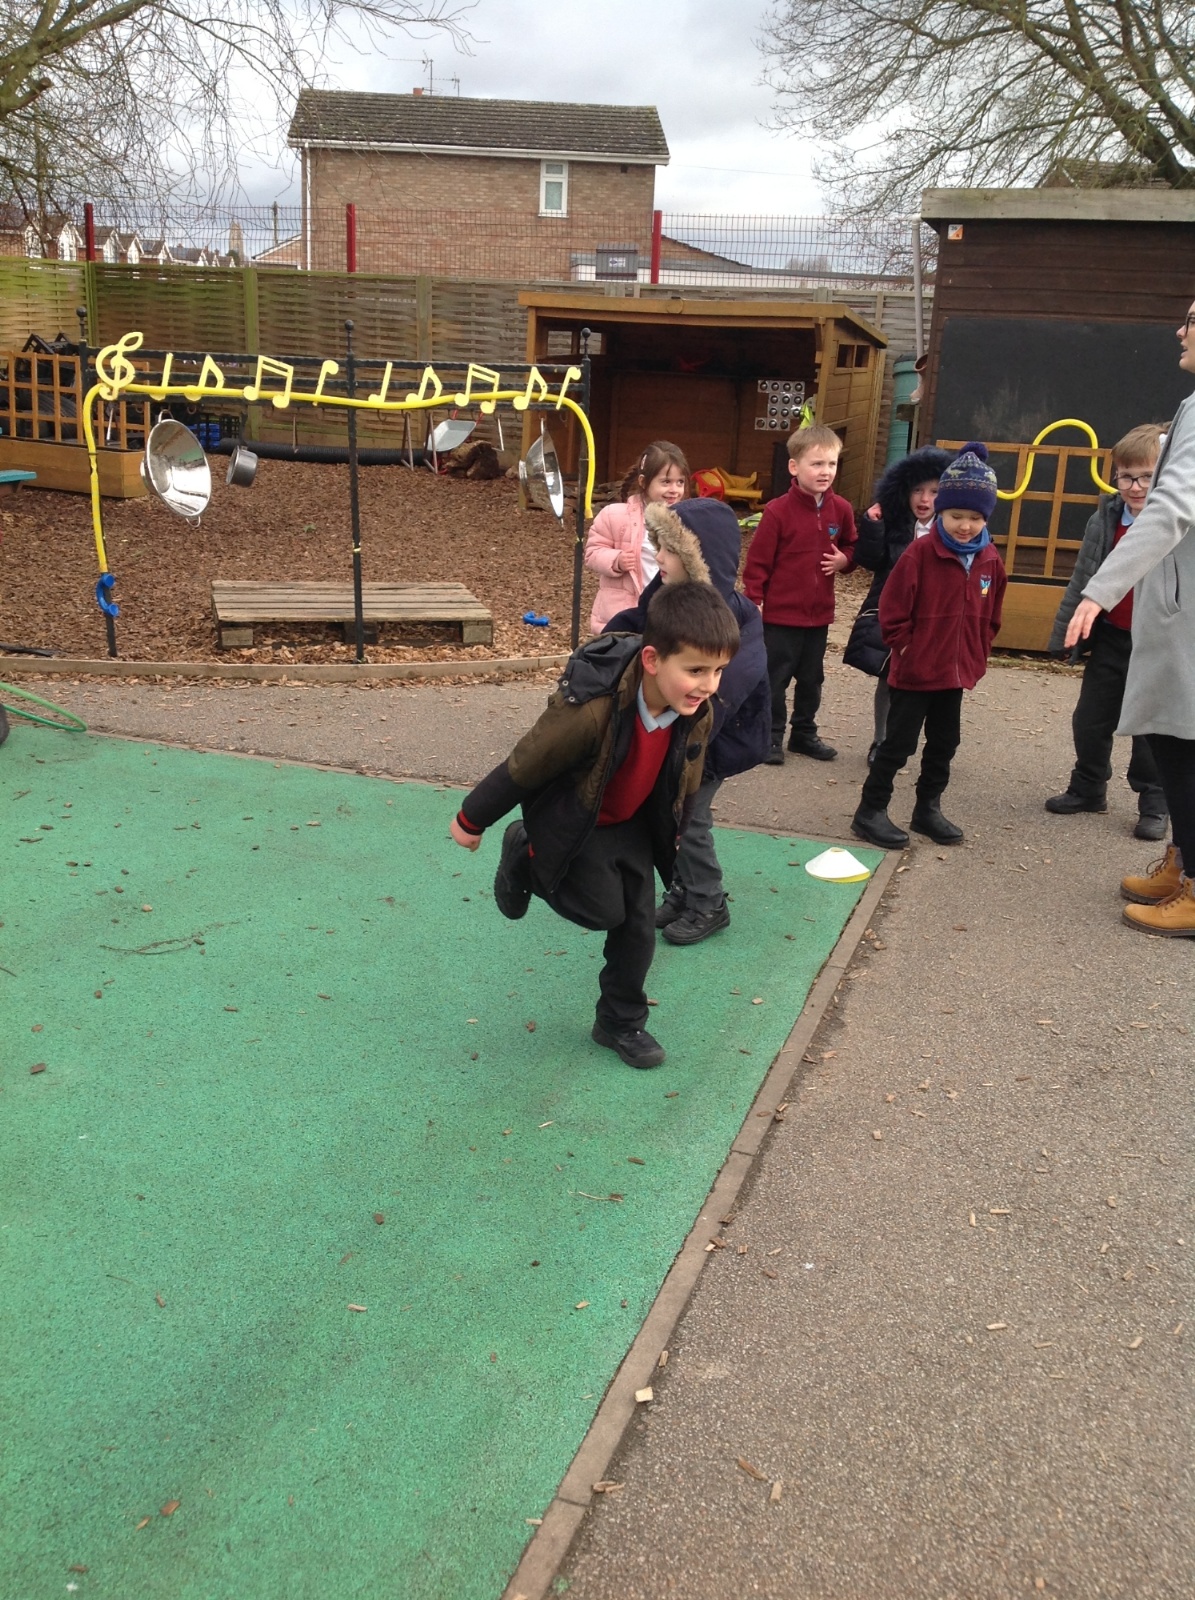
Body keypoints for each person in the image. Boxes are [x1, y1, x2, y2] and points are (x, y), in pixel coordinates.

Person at [449, 582, 740, 1066]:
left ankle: (618, 1023)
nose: (708, 685)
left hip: (632, 822)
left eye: (718, 671)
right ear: (653, 660)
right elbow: (529, 760)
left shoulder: (695, 712)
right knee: (603, 911)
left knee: (638, 929)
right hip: (577, 815)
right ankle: (523, 855)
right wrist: (471, 817)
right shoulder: (593, 708)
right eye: (695, 670)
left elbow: (686, 782)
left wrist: (675, 842)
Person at [1065, 295, 1195, 937]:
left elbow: (1171, 508)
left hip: (1184, 610)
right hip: (1177, 605)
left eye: (1192, 321)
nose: (1180, 330)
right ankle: (1183, 860)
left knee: (1180, 740)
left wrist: (1100, 589)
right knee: (1174, 736)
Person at [604, 498, 772, 945]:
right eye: (658, 545)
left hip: (713, 742)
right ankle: (683, 889)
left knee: (688, 820)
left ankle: (709, 901)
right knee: (668, 815)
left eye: (669, 549)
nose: (657, 556)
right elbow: (638, 626)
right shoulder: (665, 595)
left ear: (699, 559)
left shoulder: (733, 618)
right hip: (676, 737)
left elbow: (724, 691)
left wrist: (677, 735)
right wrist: (607, 645)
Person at [851, 441, 1007, 850]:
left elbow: (992, 613)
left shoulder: (990, 559)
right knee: (898, 744)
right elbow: (892, 609)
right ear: (942, 512)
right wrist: (905, 648)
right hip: (915, 670)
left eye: (975, 518)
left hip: (955, 673)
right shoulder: (920, 554)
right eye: (956, 516)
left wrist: (978, 650)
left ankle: (927, 808)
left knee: (944, 743)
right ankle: (870, 810)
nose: (965, 526)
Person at [1045, 424, 1167, 841]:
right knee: (1090, 719)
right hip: (1113, 636)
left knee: (1151, 729)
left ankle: (1155, 803)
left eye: (1146, 476)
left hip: (1157, 643)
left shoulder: (1175, 523)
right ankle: (1088, 788)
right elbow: (1083, 579)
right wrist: (1064, 633)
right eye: (1126, 477)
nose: (1135, 487)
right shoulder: (1104, 519)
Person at [742, 423, 857, 764]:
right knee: (775, 677)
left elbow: (852, 545)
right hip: (780, 616)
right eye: (816, 464)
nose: (825, 471)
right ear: (794, 467)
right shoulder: (778, 511)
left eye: (831, 464)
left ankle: (804, 734)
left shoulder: (842, 509)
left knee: (811, 679)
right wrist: (753, 600)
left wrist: (845, 560)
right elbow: (758, 562)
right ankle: (771, 736)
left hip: (818, 615)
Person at [851, 446, 953, 762]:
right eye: (917, 490)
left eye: (934, 492)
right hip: (895, 615)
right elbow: (871, 560)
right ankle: (881, 741)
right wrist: (873, 526)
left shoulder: (952, 528)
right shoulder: (896, 524)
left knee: (933, 684)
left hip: (934, 617)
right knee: (888, 677)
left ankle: (929, 745)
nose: (924, 499)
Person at [582, 441, 688, 633]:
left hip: (666, 611)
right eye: (666, 482)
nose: (674, 489)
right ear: (643, 482)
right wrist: (616, 560)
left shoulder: (685, 519)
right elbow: (592, 552)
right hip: (623, 612)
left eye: (680, 482)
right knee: (626, 650)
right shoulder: (614, 515)